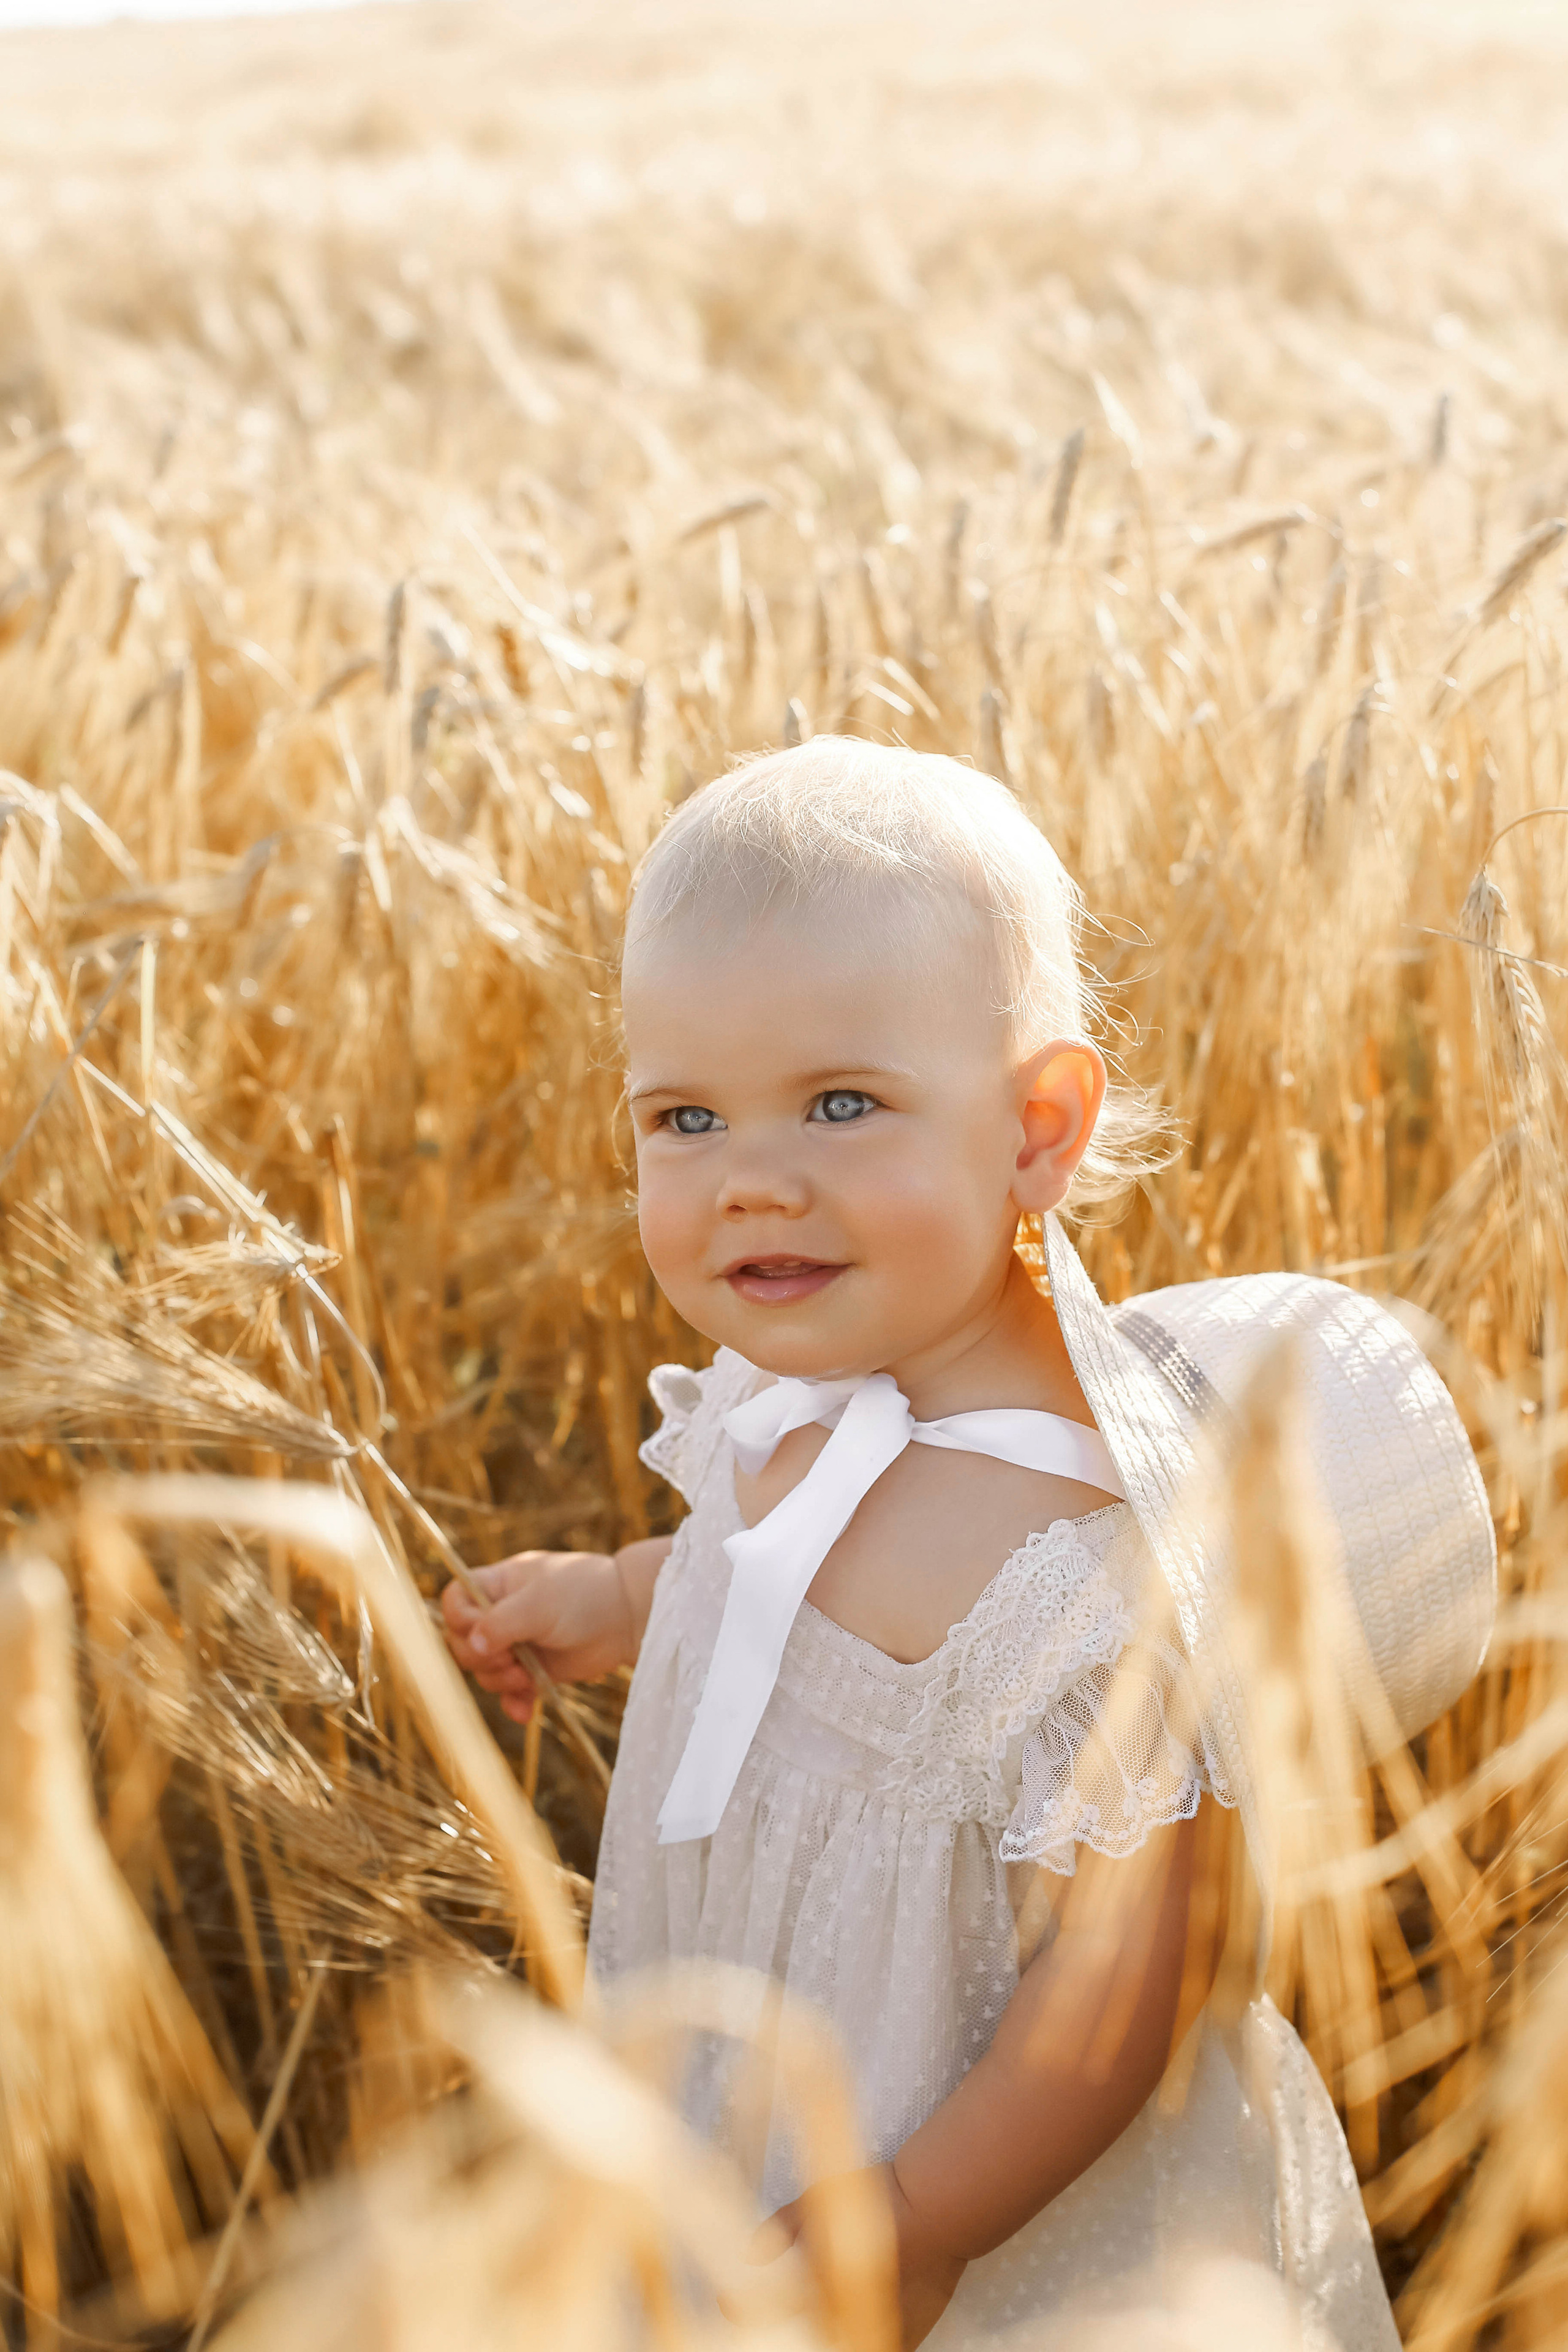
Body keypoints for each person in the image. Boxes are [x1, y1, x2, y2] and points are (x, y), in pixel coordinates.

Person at [440, 740, 1494, 2350]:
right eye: (686, 1117)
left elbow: (1133, 1982)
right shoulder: (786, 1394)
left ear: (1036, 1127)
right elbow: (748, 1575)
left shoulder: (1085, 1576)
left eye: (841, 1104)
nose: (753, 1183)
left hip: (980, 2194)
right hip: (748, 2088)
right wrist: (613, 1596)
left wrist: (922, 2223)